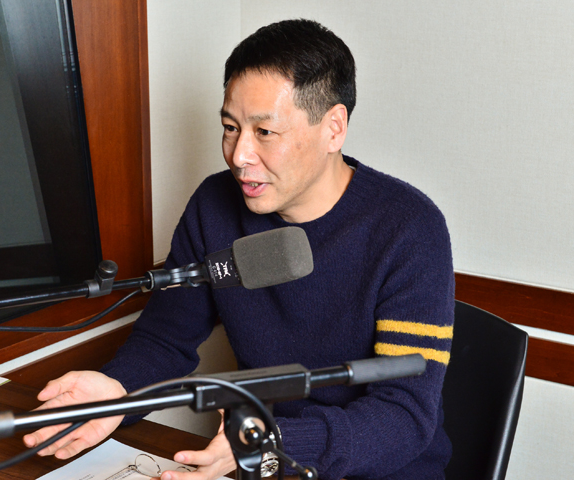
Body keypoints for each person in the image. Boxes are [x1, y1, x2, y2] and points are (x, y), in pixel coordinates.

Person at [23, 19, 454, 480]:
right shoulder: (214, 206)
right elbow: (166, 338)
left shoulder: (409, 228)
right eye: (230, 127)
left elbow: (405, 414)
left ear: (333, 128)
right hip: (261, 462)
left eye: (264, 132)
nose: (239, 155)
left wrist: (274, 443)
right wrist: (117, 390)